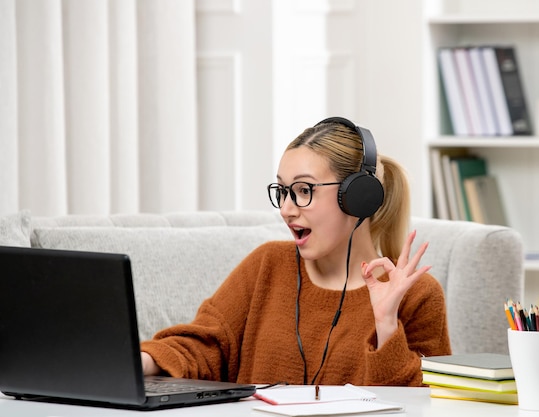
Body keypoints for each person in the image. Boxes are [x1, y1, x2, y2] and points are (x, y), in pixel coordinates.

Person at [140, 117, 451, 386]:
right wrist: (140, 361)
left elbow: (431, 403)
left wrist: (385, 325)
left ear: (358, 197)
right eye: (283, 191)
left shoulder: (416, 294)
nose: (286, 210)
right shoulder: (267, 265)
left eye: (304, 191)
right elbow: (206, 345)